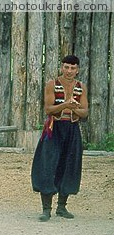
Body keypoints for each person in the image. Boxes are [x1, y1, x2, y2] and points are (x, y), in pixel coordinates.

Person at [31, 55, 89, 222]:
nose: (69, 71)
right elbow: (49, 109)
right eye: (66, 67)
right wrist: (65, 105)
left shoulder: (81, 87)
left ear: (77, 70)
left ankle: (62, 206)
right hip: (54, 129)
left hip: (72, 129)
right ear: (61, 67)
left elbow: (85, 112)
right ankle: (46, 209)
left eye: (72, 68)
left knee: (69, 165)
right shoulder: (52, 85)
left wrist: (74, 109)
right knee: (48, 165)